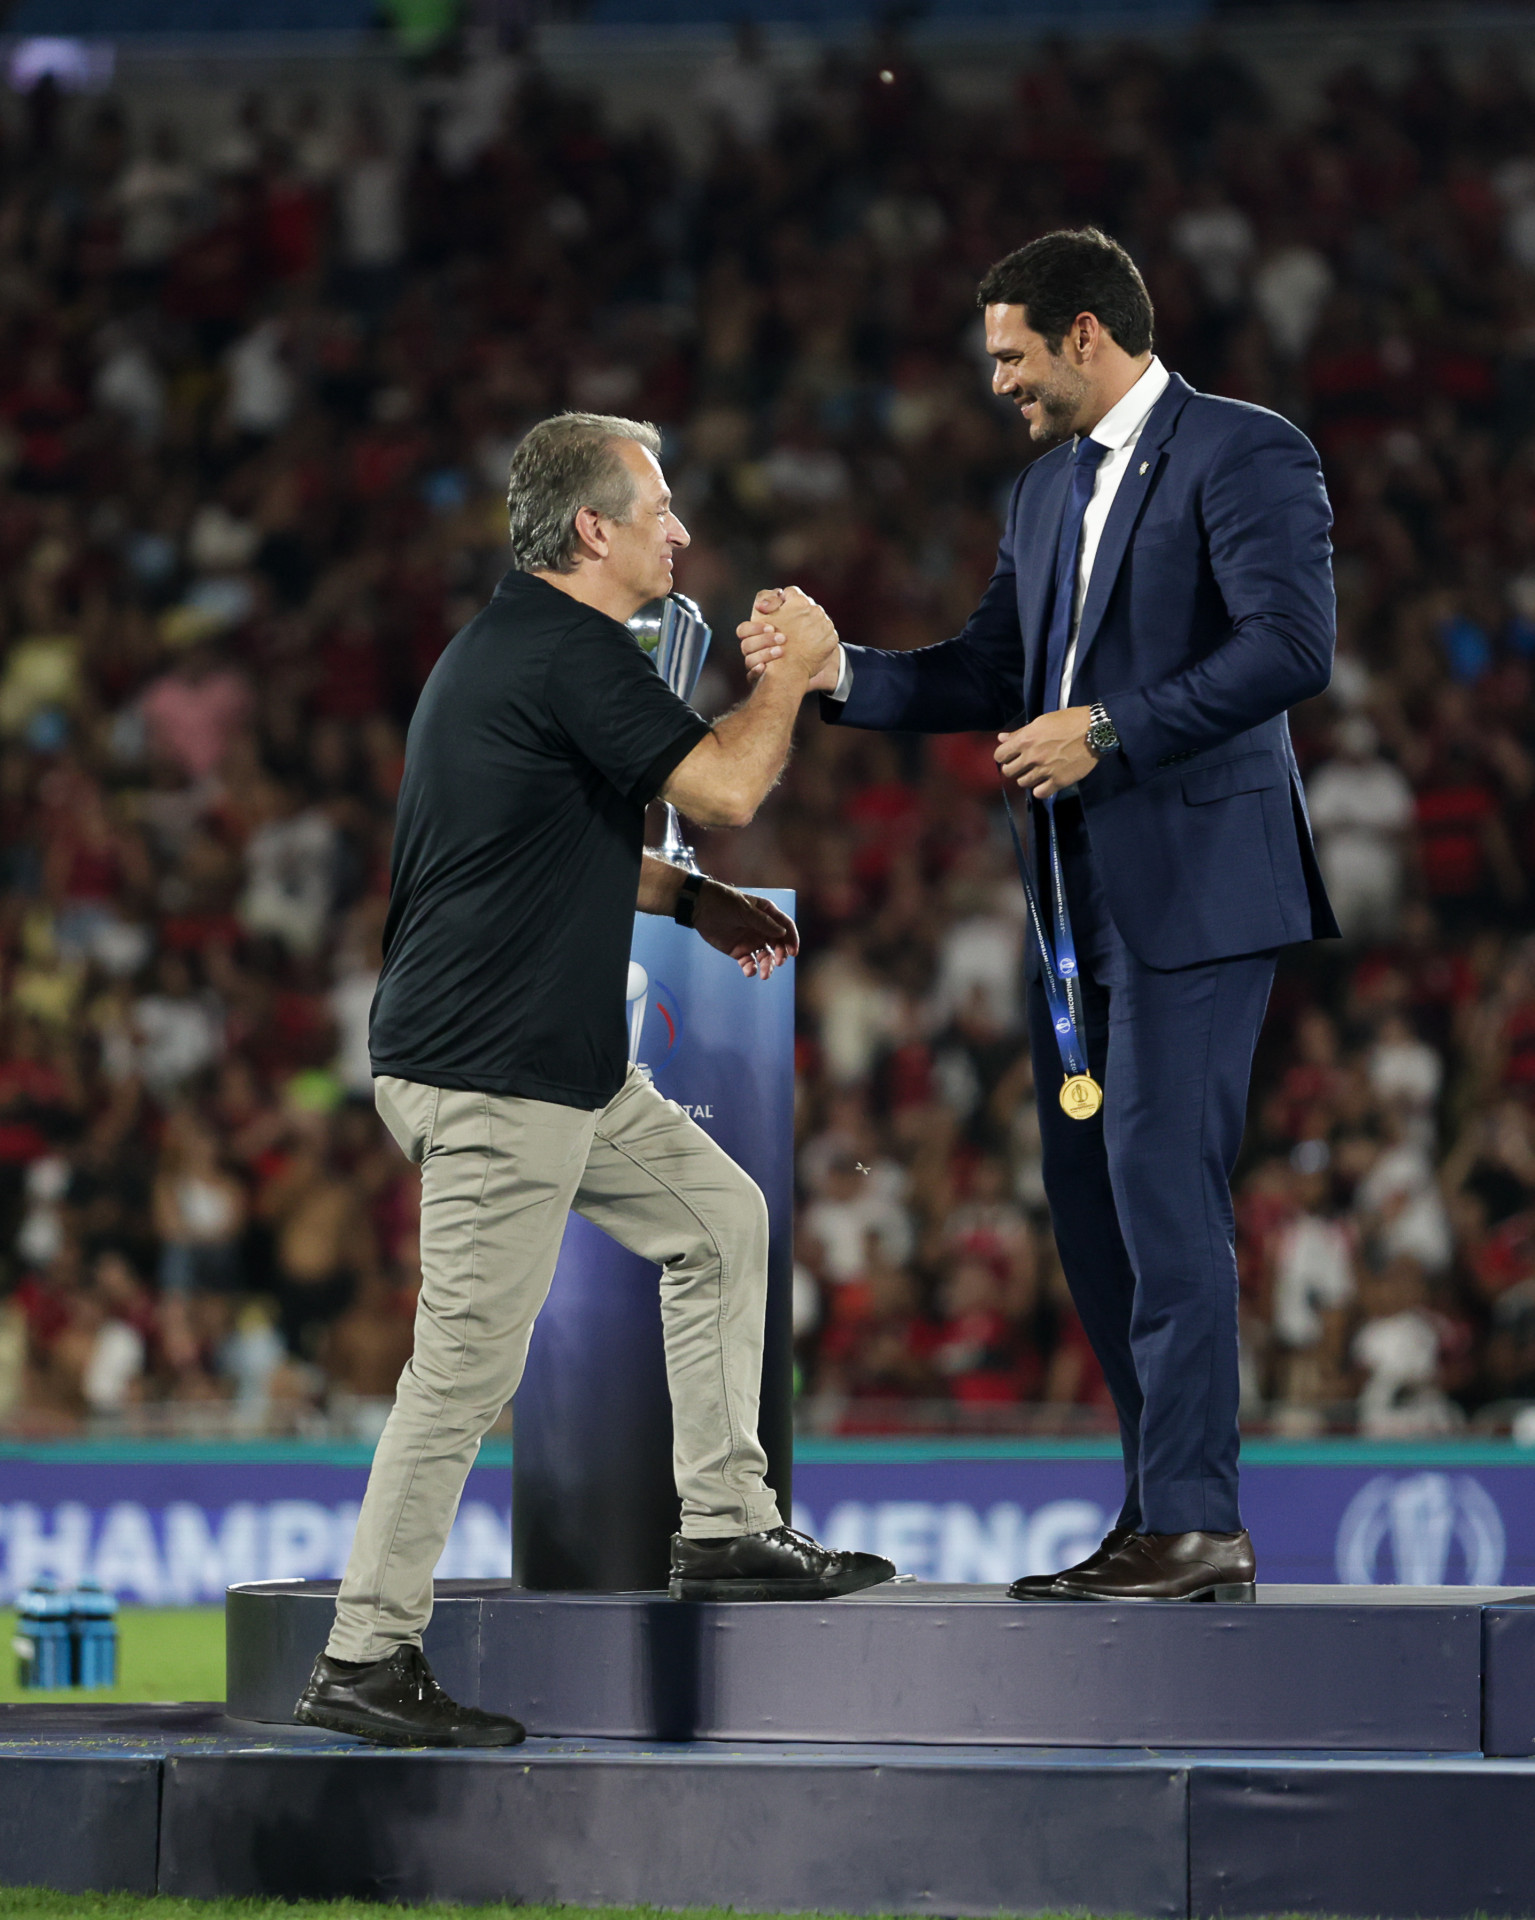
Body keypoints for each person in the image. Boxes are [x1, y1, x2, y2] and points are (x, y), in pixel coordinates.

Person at [742, 229, 1338, 1600]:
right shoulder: (1041, 492)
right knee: (1091, 1205)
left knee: (1157, 1182)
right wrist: (844, 673)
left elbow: (1289, 645)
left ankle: (1200, 1522)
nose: (999, 380)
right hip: (1072, 906)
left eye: (1013, 354)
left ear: (1085, 332)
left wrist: (1109, 729)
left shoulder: (1247, 451)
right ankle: (1155, 1515)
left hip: (1196, 889)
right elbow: (988, 671)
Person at [297, 411, 893, 1750]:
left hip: (545, 1063)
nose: (682, 529)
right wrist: (793, 673)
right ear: (595, 531)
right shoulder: (569, 651)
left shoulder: (512, 650)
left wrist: (687, 904)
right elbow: (733, 782)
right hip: (495, 1071)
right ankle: (365, 1655)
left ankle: (729, 1527)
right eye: (661, 506)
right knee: (460, 1374)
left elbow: (544, 847)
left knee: (722, 1220)